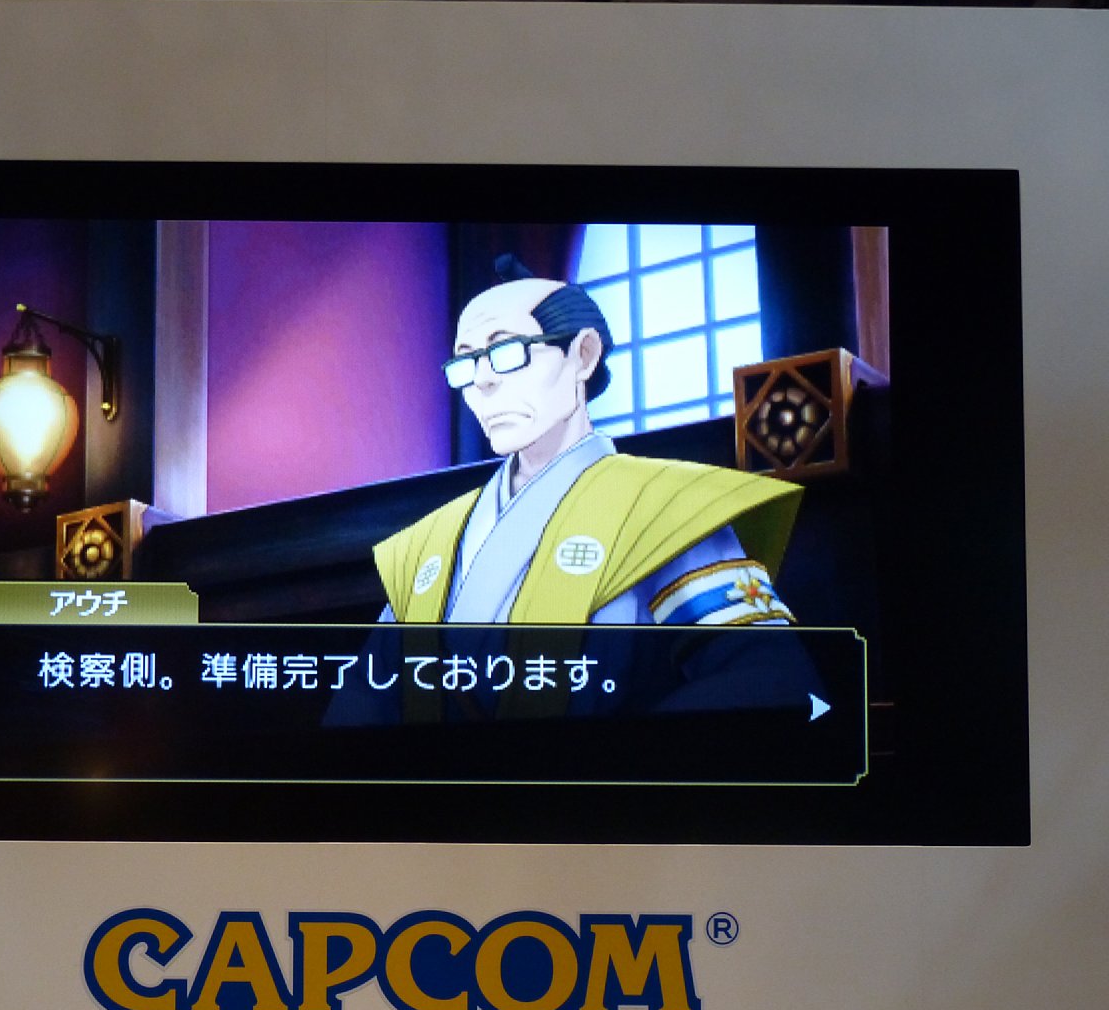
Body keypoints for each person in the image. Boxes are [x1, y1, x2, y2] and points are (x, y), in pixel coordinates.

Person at [325, 257, 812, 725]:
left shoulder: (661, 508)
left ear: (583, 354)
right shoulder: (433, 541)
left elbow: (769, 678)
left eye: (506, 351)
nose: (483, 380)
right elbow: (364, 702)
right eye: (467, 361)